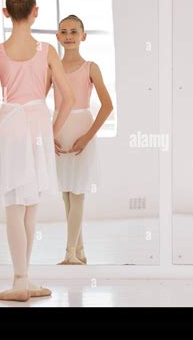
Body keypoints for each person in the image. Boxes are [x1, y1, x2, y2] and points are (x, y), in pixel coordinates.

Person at [0, 0, 75, 301]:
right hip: (37, 127)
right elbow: (68, 99)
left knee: (14, 207)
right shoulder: (46, 51)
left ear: (6, 13)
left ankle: (22, 279)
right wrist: (50, 131)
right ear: (35, 13)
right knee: (30, 207)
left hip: (11, 124)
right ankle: (23, 278)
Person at [48, 14, 113, 265]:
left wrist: (87, 137)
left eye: (74, 32)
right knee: (66, 193)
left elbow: (107, 106)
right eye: (63, 32)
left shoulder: (91, 68)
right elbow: (38, 101)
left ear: (83, 36)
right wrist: (48, 134)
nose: (68, 36)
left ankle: (69, 254)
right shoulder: (52, 68)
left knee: (78, 193)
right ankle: (81, 250)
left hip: (81, 130)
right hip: (60, 129)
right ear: (57, 37)